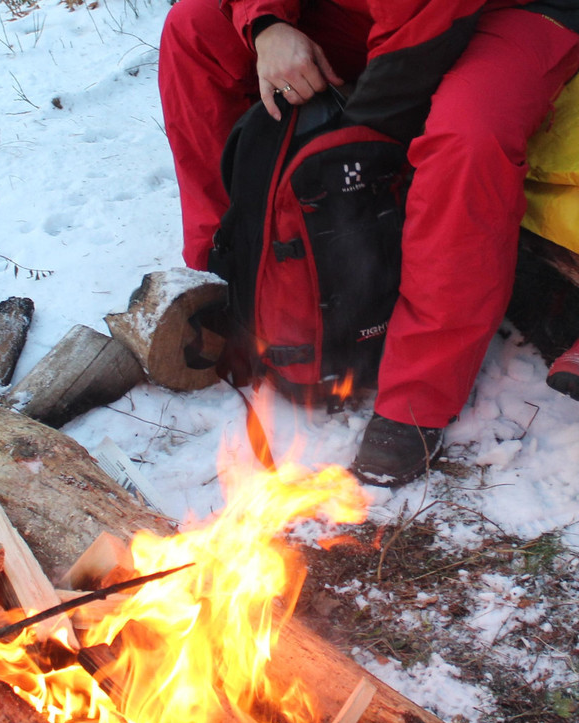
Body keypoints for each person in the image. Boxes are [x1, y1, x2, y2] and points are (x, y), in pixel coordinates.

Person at [158, 0, 579, 486]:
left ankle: (417, 396)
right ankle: (226, 281)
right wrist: (266, 23)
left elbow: (415, 49)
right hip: (372, 12)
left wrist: (338, 151)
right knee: (195, 28)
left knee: (467, 134)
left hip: (509, 12)